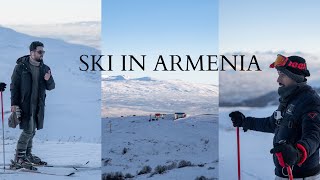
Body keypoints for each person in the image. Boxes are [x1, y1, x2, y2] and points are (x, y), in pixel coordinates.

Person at [229, 54, 320, 179]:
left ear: (294, 76)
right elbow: (272, 124)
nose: (278, 80)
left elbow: (314, 136)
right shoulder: (289, 99)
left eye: (282, 75)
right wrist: (245, 122)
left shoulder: (310, 101)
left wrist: (298, 153)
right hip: (284, 172)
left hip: (300, 175)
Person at [10, 41, 55, 169]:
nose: (42, 54)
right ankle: (19, 157)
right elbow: (14, 86)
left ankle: (27, 155)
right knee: (28, 130)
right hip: (25, 104)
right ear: (32, 52)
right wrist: (14, 103)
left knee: (33, 130)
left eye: (43, 52)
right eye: (40, 52)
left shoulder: (45, 68)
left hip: (38, 105)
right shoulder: (21, 67)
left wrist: (49, 79)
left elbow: (51, 87)